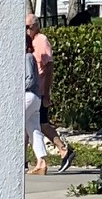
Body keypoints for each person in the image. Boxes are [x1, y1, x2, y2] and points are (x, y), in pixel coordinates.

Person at [25, 14, 73, 173]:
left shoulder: (40, 41)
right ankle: (37, 160)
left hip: (37, 91)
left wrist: (46, 93)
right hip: (36, 91)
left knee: (40, 124)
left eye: (28, 27)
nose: (26, 31)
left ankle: (63, 149)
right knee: (34, 126)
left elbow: (49, 67)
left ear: (36, 26)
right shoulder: (30, 44)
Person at [24, 26, 48, 176]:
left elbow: (30, 79)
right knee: (34, 129)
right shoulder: (30, 57)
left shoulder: (26, 57)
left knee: (15, 127)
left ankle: (17, 160)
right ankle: (41, 162)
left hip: (27, 95)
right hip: (36, 98)